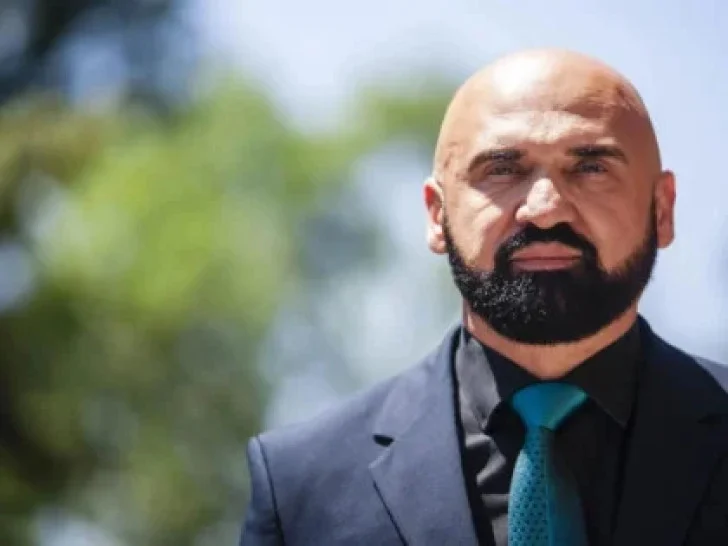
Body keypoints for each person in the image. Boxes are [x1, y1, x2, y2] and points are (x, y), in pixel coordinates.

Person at [239, 49, 728, 546]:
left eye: (591, 168)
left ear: (662, 210)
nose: (545, 209)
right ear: (437, 215)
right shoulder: (300, 488)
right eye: (502, 170)